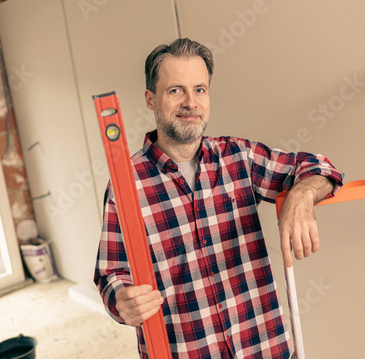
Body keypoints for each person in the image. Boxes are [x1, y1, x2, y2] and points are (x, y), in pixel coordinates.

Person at [93, 38, 344, 358]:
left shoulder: (239, 157)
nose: (190, 102)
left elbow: (318, 167)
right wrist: (121, 302)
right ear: (151, 100)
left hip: (264, 349)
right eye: (175, 90)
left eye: (199, 89)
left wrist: (301, 195)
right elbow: (111, 273)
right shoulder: (125, 186)